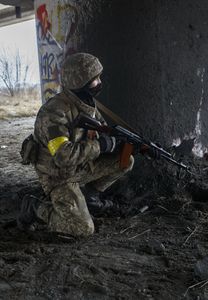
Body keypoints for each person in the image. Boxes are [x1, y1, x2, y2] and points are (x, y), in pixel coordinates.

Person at [18, 53, 134, 237]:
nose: (99, 82)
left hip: (79, 166)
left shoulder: (86, 103)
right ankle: (36, 207)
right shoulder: (54, 112)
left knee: (125, 160)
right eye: (95, 79)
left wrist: (120, 143)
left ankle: (90, 197)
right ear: (81, 83)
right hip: (57, 175)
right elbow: (63, 157)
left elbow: (102, 131)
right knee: (82, 229)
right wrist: (101, 146)